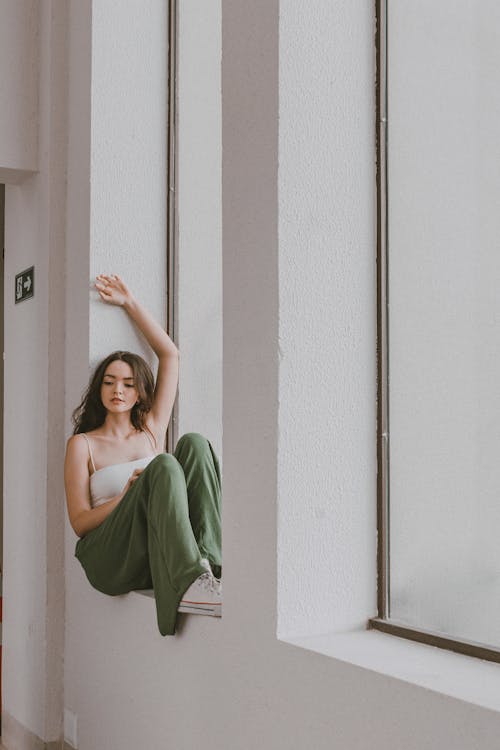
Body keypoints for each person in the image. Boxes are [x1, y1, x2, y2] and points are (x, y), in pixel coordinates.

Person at [64, 274, 222, 636]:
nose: (117, 390)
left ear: (139, 392)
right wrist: (127, 496)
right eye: (108, 381)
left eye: (128, 383)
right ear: (98, 389)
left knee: (193, 443)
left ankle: (209, 568)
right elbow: (80, 523)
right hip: (108, 556)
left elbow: (170, 355)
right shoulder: (82, 444)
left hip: (152, 547)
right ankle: (190, 579)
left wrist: (129, 302)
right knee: (163, 465)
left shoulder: (150, 431)